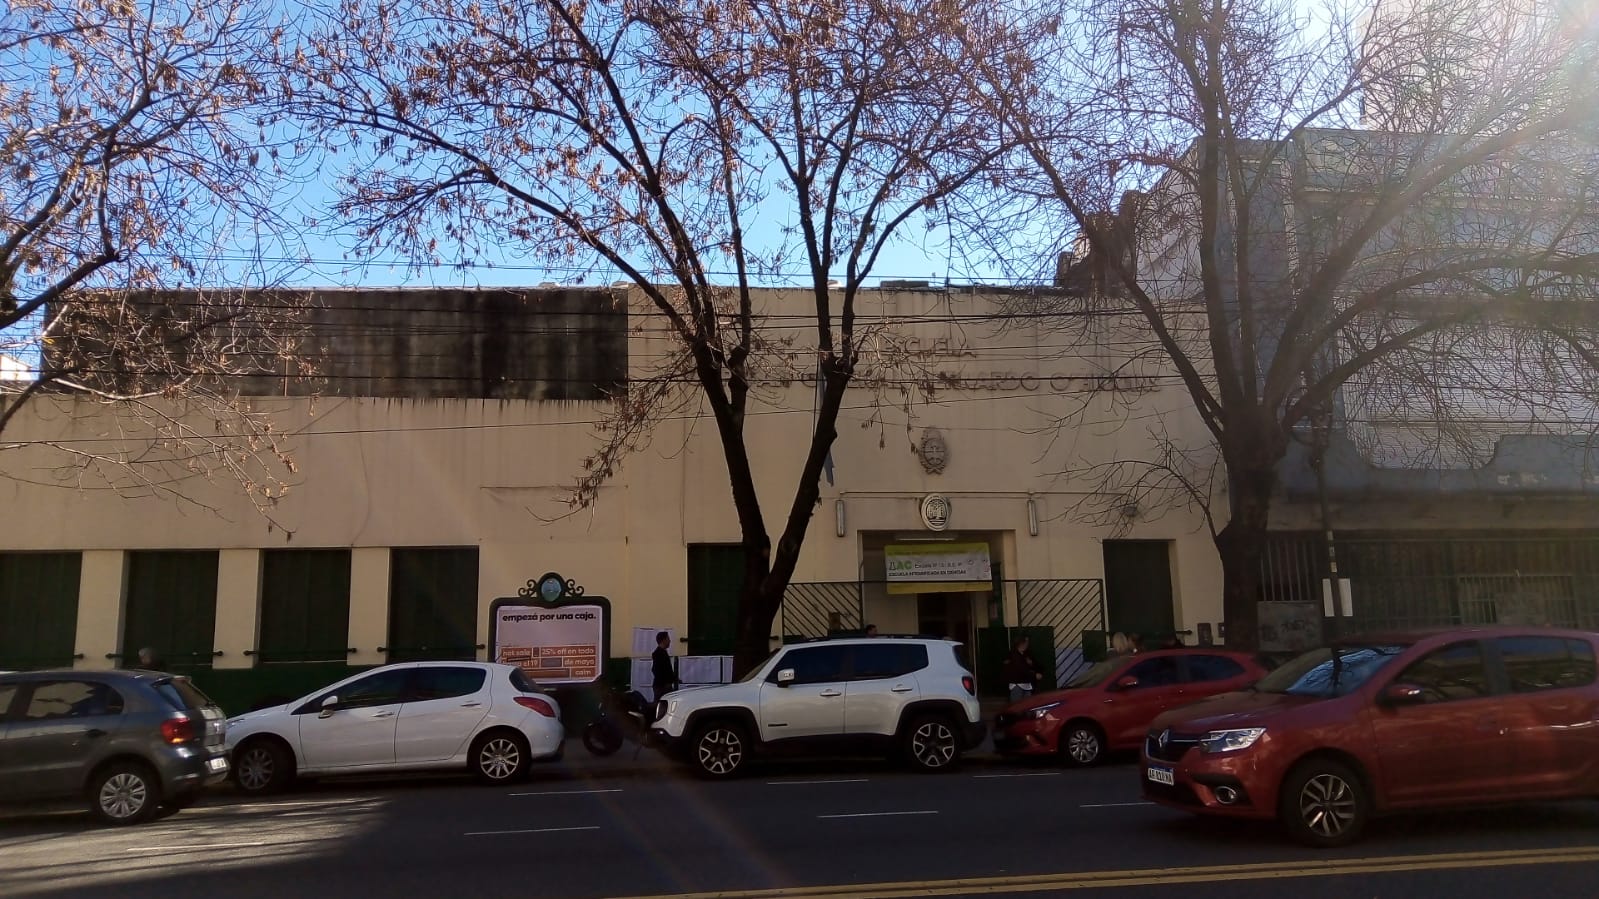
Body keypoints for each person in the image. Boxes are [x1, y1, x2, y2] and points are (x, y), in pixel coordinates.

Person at [1002, 636, 1043, 703]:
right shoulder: (1014, 655)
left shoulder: (1026, 654)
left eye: (1027, 642)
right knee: (1017, 705)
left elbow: (1034, 665)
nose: (1027, 644)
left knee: (1027, 704)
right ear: (1020, 643)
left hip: (1026, 684)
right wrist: (1034, 675)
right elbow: (1021, 669)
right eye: (1025, 642)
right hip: (1017, 684)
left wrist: (1031, 664)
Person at [651, 631, 678, 700]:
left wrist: (674, 678)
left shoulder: (663, 652)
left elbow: (667, 669)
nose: (670, 641)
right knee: (661, 703)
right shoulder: (658, 654)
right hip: (662, 687)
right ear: (663, 640)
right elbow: (656, 670)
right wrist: (666, 683)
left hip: (664, 686)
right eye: (668, 639)